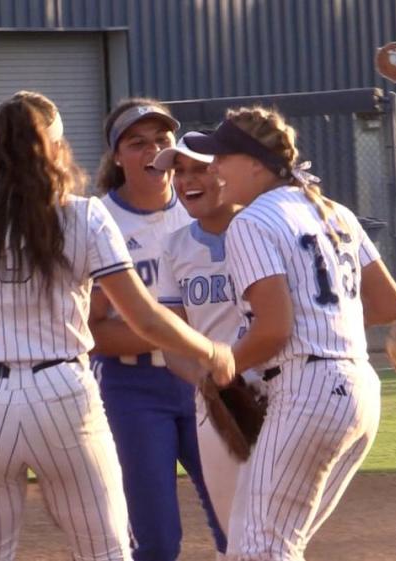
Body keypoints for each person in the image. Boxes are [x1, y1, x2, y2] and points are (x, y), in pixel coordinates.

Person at [0, 91, 234, 561]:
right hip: (62, 391)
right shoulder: (83, 213)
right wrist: (210, 351)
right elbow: (144, 317)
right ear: (59, 146)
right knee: (104, 550)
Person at [185, 106, 396, 560]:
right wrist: (326, 326)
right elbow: (389, 305)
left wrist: (222, 370)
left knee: (259, 548)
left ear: (254, 163)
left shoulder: (250, 222)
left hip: (305, 391)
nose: (216, 169)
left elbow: (274, 330)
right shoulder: (336, 212)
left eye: (222, 157)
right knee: (274, 542)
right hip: (360, 390)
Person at [89, 99, 227, 560]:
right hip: (133, 388)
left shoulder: (201, 211)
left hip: (208, 382)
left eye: (162, 140)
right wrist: (177, 331)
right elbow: (92, 332)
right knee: (156, 538)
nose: (152, 150)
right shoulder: (97, 219)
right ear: (117, 155)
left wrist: (176, 332)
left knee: (239, 519)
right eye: (137, 142)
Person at [152, 131, 252, 539]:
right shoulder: (174, 246)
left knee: (275, 526)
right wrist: (212, 387)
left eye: (201, 169)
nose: (187, 180)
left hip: (282, 393)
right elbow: (172, 346)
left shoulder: (264, 229)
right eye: (180, 171)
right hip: (216, 403)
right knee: (233, 531)